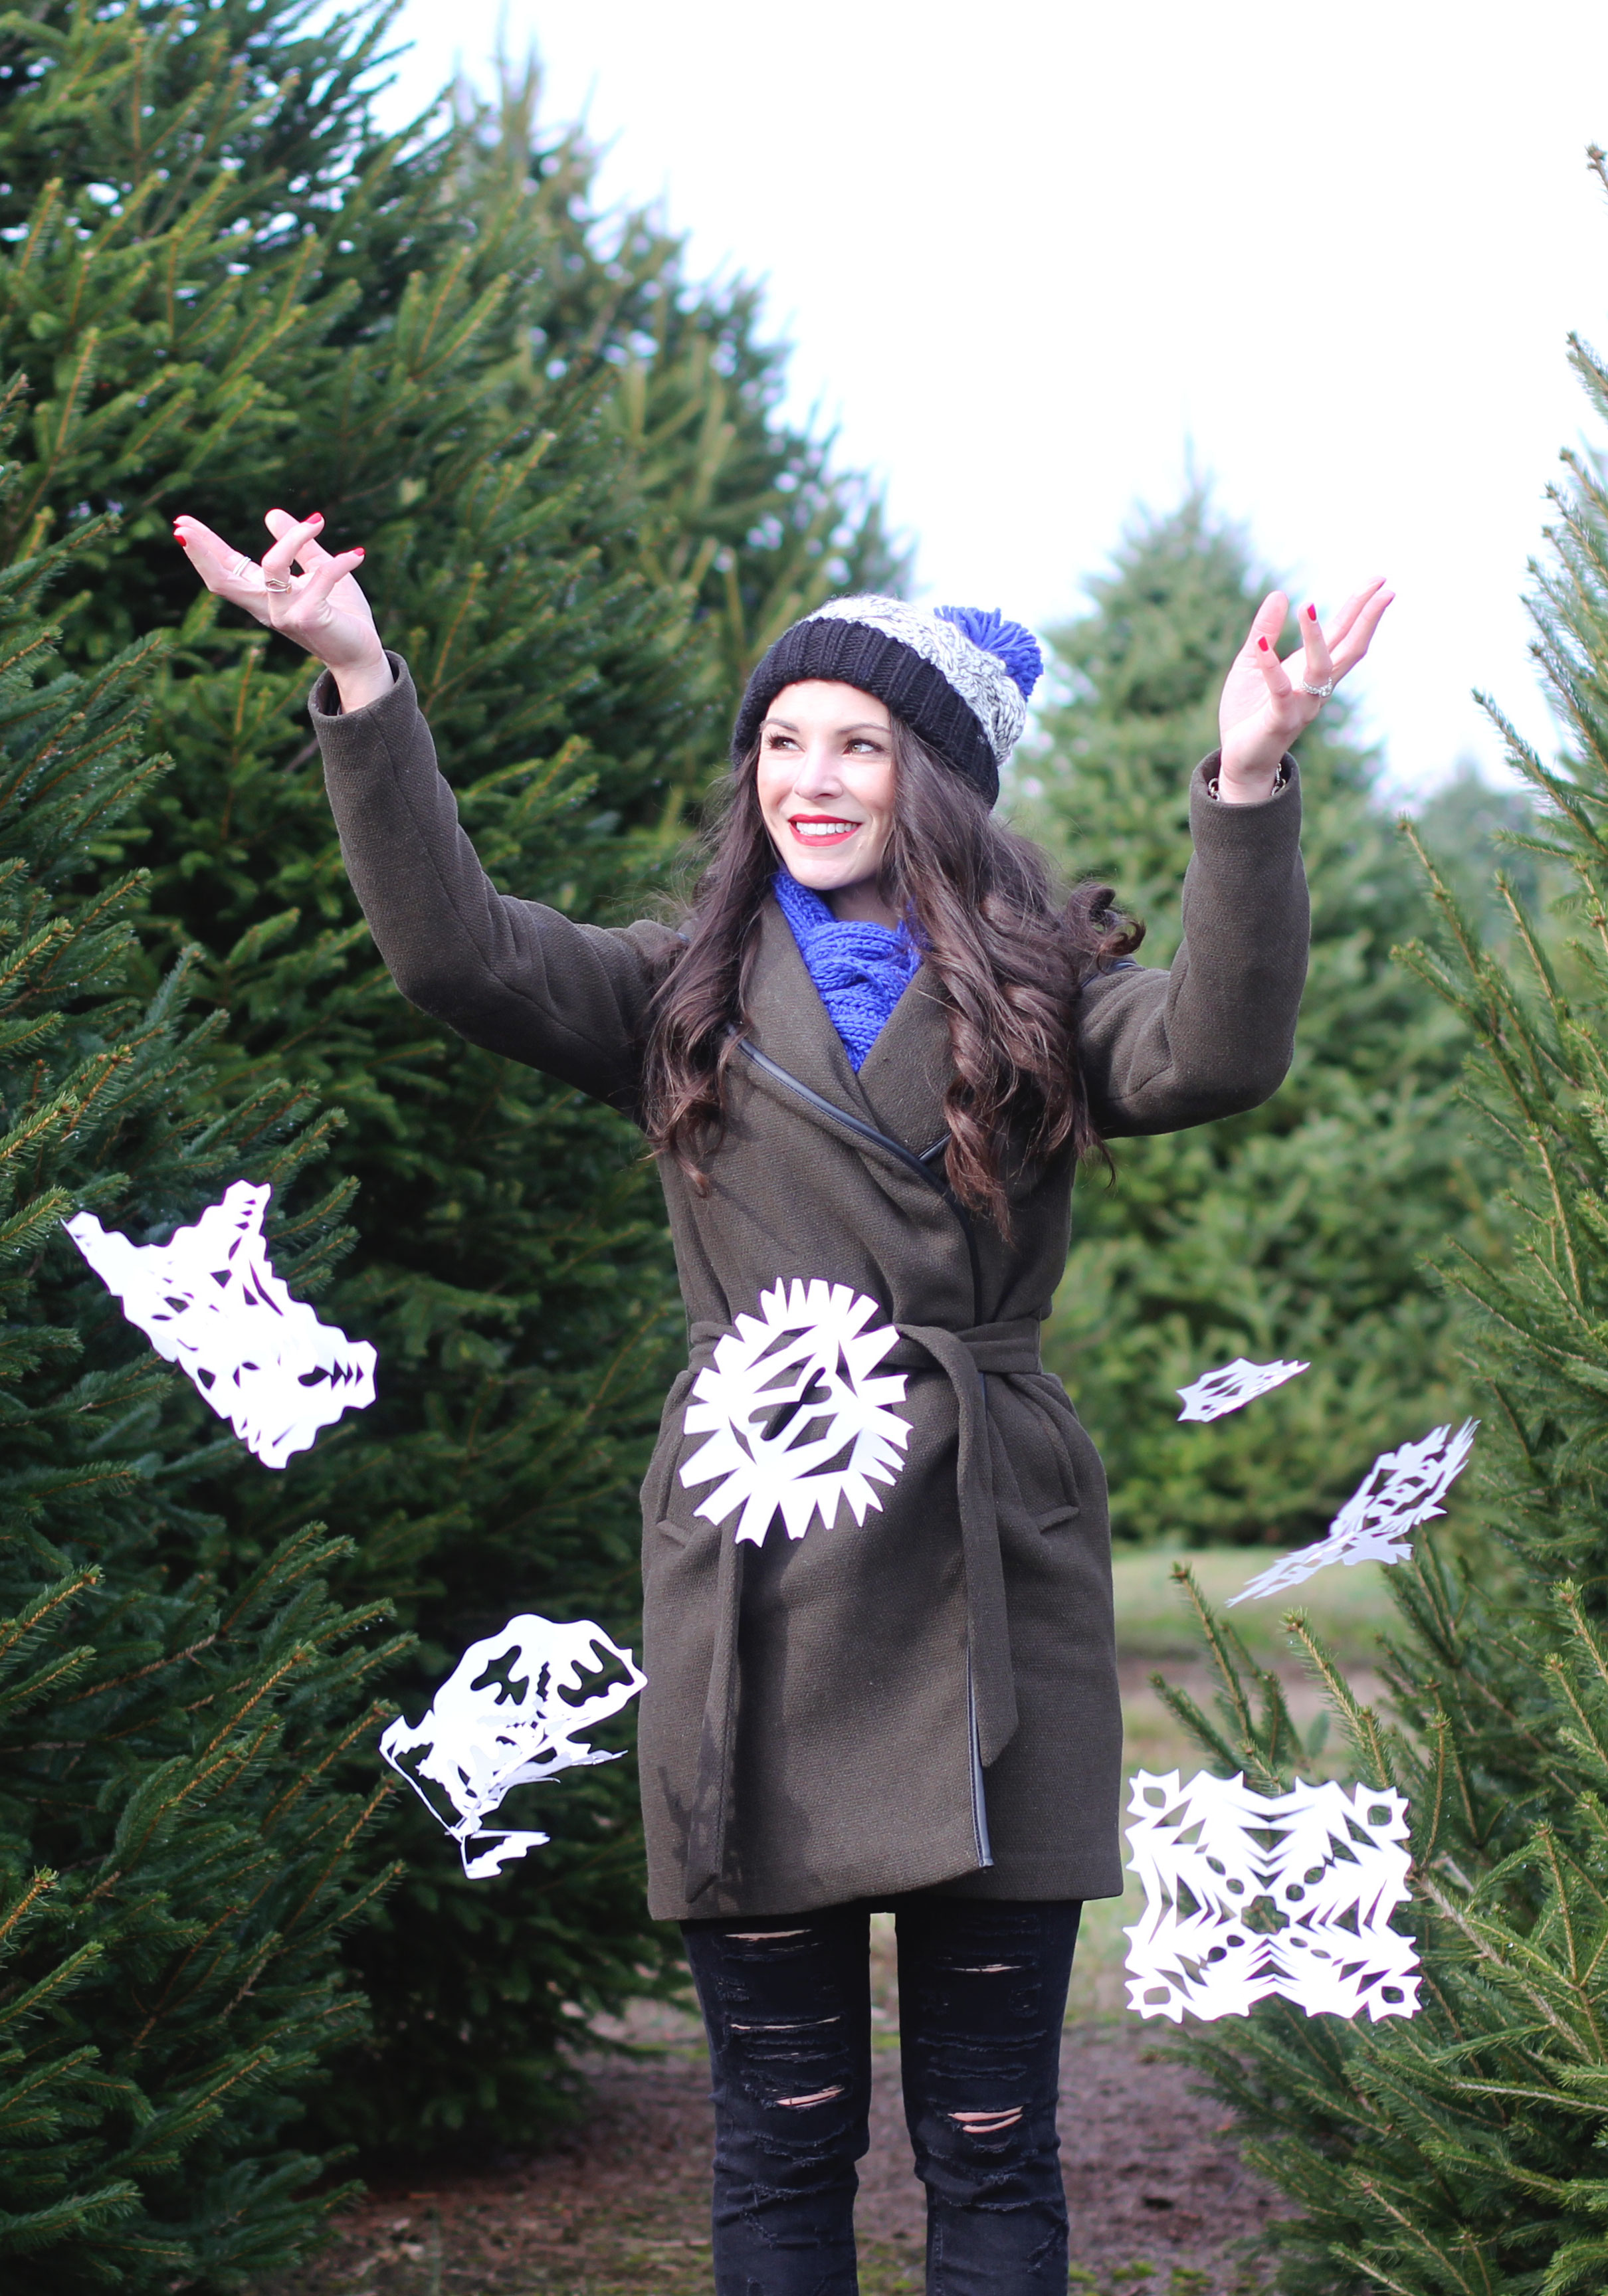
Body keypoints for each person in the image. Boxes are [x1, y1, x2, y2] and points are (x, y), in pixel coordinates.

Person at [174, 505, 1390, 2295]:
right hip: (765, 1578)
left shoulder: (1045, 1002)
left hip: (988, 1567)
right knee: (778, 2139)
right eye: (780, 741)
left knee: (990, 2149)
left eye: (860, 747)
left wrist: (1246, 776)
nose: (809, 782)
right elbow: (457, 957)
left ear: (939, 786)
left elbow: (1221, 1047)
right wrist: (360, 679)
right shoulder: (674, 996)